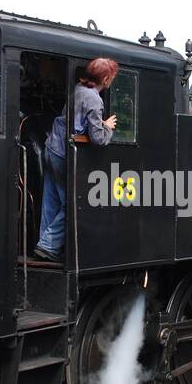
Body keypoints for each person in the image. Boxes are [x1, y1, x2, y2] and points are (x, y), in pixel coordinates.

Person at [34, 57, 118, 261]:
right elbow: (98, 138)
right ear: (106, 78)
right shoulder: (94, 100)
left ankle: (45, 247)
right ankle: (48, 245)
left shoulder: (78, 89)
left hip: (52, 146)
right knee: (71, 204)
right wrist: (107, 127)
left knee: (50, 200)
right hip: (65, 153)